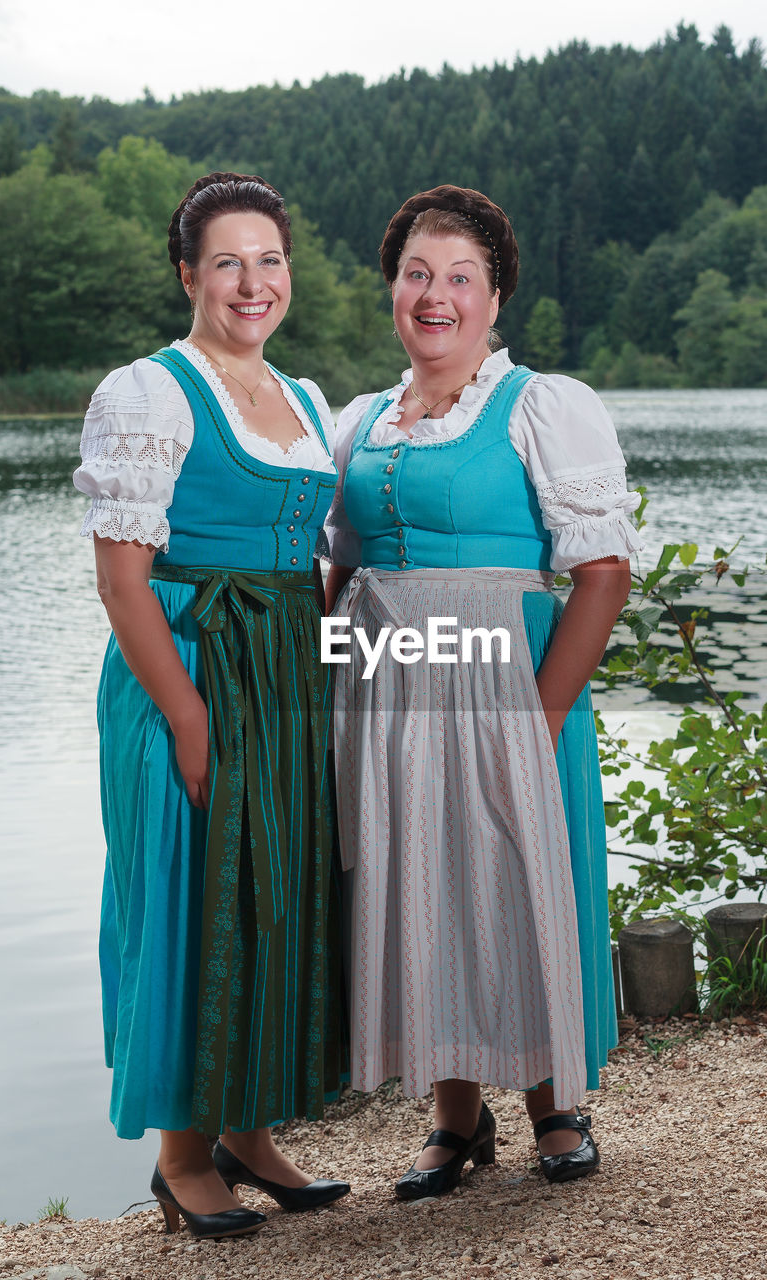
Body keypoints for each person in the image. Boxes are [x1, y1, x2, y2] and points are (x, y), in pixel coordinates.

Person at [324, 185, 642, 1200]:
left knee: (517, 870)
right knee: (414, 877)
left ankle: (556, 1101)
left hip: (506, 678)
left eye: (460, 276)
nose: (435, 294)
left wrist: (538, 715)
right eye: (417, 273)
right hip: (385, 689)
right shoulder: (358, 421)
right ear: (392, 288)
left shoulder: (543, 405)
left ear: (494, 296)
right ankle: (454, 1117)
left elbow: (600, 573)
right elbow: (334, 569)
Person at [74, 172, 349, 1239]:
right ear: (189, 274)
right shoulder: (145, 392)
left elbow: (317, 560)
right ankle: (181, 1155)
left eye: (269, 259)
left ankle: (248, 1130)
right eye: (227, 260)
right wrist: (188, 716)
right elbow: (121, 579)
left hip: (284, 669)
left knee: (272, 888)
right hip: (185, 660)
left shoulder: (310, 397)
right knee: (189, 886)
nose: (252, 280)